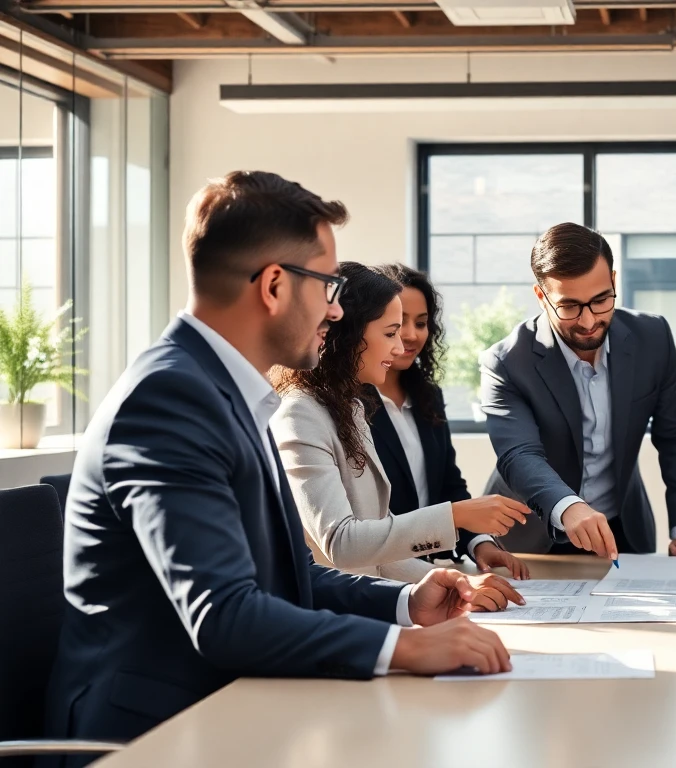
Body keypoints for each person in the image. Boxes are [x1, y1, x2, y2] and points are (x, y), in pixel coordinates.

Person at [44, 172, 517, 760]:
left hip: (230, 704)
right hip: (150, 732)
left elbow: (285, 575)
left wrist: (404, 605)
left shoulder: (225, 392)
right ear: (273, 285)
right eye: (328, 285)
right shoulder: (169, 399)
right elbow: (224, 614)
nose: (336, 308)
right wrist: (402, 648)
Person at [271, 262, 530, 589]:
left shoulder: (350, 408)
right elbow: (341, 543)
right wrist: (456, 516)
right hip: (336, 609)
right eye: (390, 332)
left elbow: (378, 547)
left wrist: (452, 584)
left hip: (372, 599)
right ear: (350, 332)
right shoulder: (299, 414)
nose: (400, 346)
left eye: (417, 325)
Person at [479, 222, 676, 559]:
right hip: (532, 541)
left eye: (600, 300)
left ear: (614, 282)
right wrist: (569, 507)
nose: (589, 320)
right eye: (569, 306)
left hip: (623, 531)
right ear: (541, 297)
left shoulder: (653, 339)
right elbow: (519, 455)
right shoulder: (507, 362)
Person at [369, 262, 529, 579]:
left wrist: (481, 544)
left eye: (422, 322)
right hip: (381, 574)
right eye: (398, 323)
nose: (412, 335)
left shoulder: (428, 396)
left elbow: (448, 486)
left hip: (434, 572)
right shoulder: (346, 406)